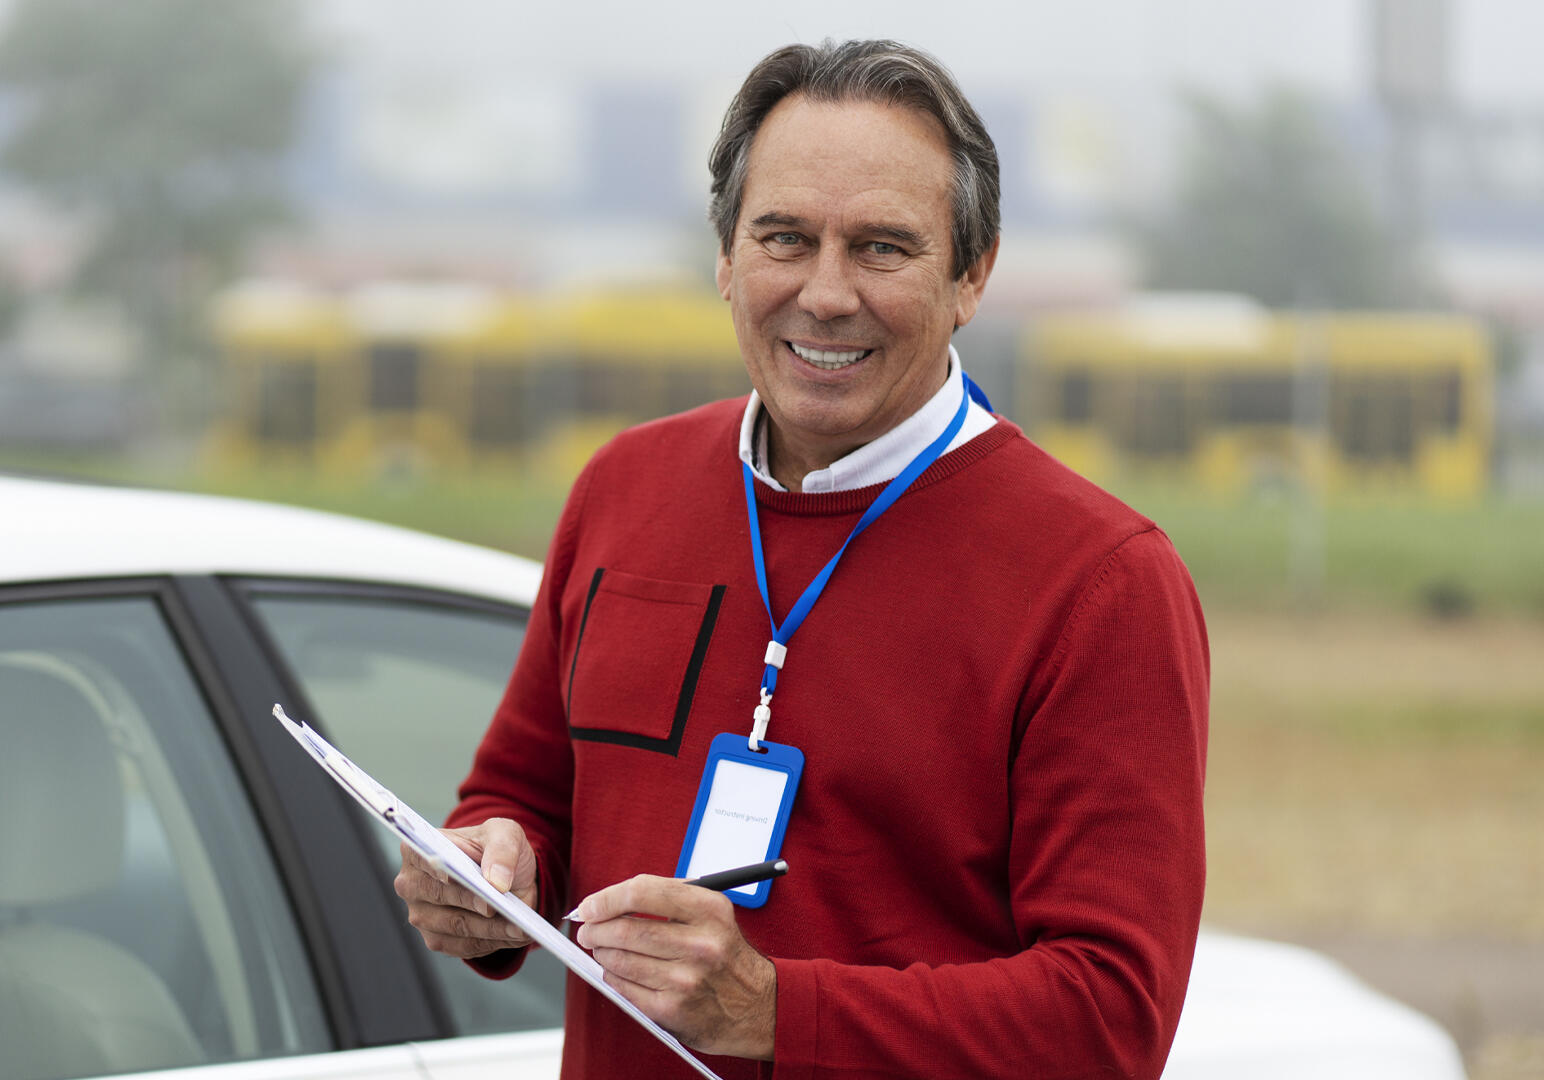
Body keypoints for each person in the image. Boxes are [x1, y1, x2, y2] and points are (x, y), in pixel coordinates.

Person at [395, 39, 1208, 1080]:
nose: (825, 294)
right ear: (726, 258)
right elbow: (523, 800)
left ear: (972, 274)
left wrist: (781, 1011)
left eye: (881, 248)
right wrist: (484, 872)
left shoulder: (1102, 580)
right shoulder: (623, 489)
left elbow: (1110, 1020)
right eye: (784, 237)